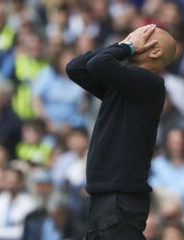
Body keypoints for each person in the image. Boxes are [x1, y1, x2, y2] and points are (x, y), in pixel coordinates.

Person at [66, 24, 177, 239]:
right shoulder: (123, 84)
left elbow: (98, 64)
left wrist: (126, 47)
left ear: (155, 51)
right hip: (103, 198)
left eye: (141, 35)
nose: (133, 36)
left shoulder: (150, 84)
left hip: (121, 200)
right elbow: (76, 68)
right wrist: (123, 45)